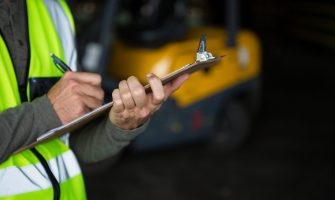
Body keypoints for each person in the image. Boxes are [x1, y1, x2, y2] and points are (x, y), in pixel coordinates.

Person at [0, 0, 188, 199]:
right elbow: (48, 115)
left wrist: (121, 127)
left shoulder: (52, 9)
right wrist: (46, 112)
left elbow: (72, 146)